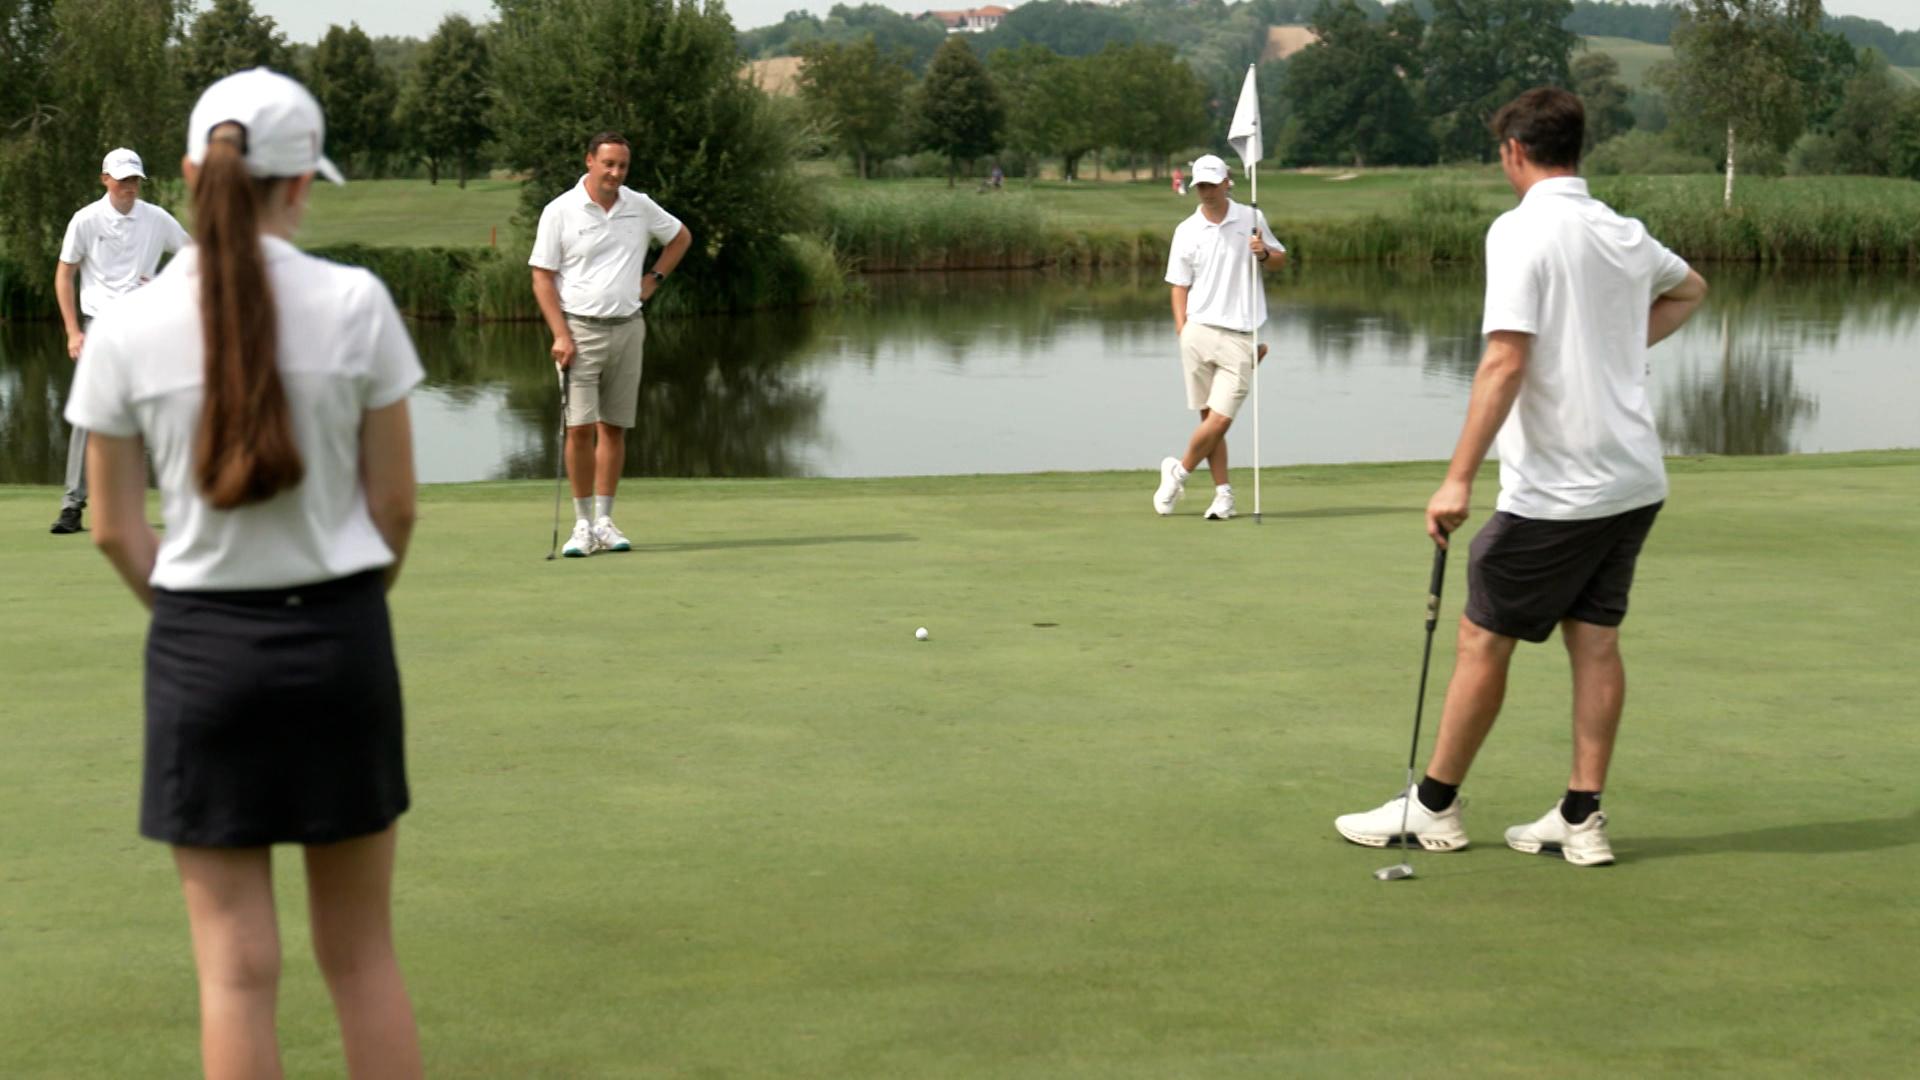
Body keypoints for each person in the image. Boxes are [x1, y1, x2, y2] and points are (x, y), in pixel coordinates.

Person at [64, 68, 425, 1075]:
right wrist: (340, 608)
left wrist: (194, 612)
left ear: (187, 176)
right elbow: (394, 507)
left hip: (203, 651)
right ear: (302, 182)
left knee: (233, 971)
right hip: (343, 639)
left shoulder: (126, 329)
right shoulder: (358, 302)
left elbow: (112, 529)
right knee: (360, 958)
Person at [1334, 87, 1708, 867]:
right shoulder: (1620, 229)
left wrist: (1456, 480)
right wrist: (1608, 347)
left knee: (1481, 638)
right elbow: (1691, 289)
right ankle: (1581, 816)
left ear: (1513, 150)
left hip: (1560, 489)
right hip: (1633, 480)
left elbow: (1504, 361)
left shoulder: (1518, 232)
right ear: (1577, 148)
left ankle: (1433, 806)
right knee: (1595, 640)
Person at [529, 131, 692, 557]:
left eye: (622, 165)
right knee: (580, 427)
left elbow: (680, 237)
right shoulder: (560, 211)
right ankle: (581, 525)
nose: (616, 173)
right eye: (608, 164)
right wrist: (560, 333)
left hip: (628, 326)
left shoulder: (638, 205)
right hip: (579, 331)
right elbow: (542, 277)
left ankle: (604, 520)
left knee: (614, 427)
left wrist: (653, 280)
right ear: (589, 161)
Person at [49, 147, 190, 535]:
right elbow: (64, 276)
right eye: (123, 179)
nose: (129, 187)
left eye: (134, 180)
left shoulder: (156, 219)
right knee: (88, 415)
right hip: (100, 326)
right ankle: (72, 505)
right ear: (105, 179)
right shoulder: (86, 220)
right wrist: (73, 331)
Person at [1154, 153, 1284, 521]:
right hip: (1198, 331)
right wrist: (1183, 330)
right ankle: (1223, 495)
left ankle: (1177, 473)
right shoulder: (1186, 230)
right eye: (1202, 186)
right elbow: (1178, 286)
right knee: (1209, 419)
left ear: (1228, 181)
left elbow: (1280, 260)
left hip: (1242, 333)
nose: (1208, 192)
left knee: (1222, 419)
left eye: (1213, 184)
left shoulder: (1251, 218)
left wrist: (1264, 254)